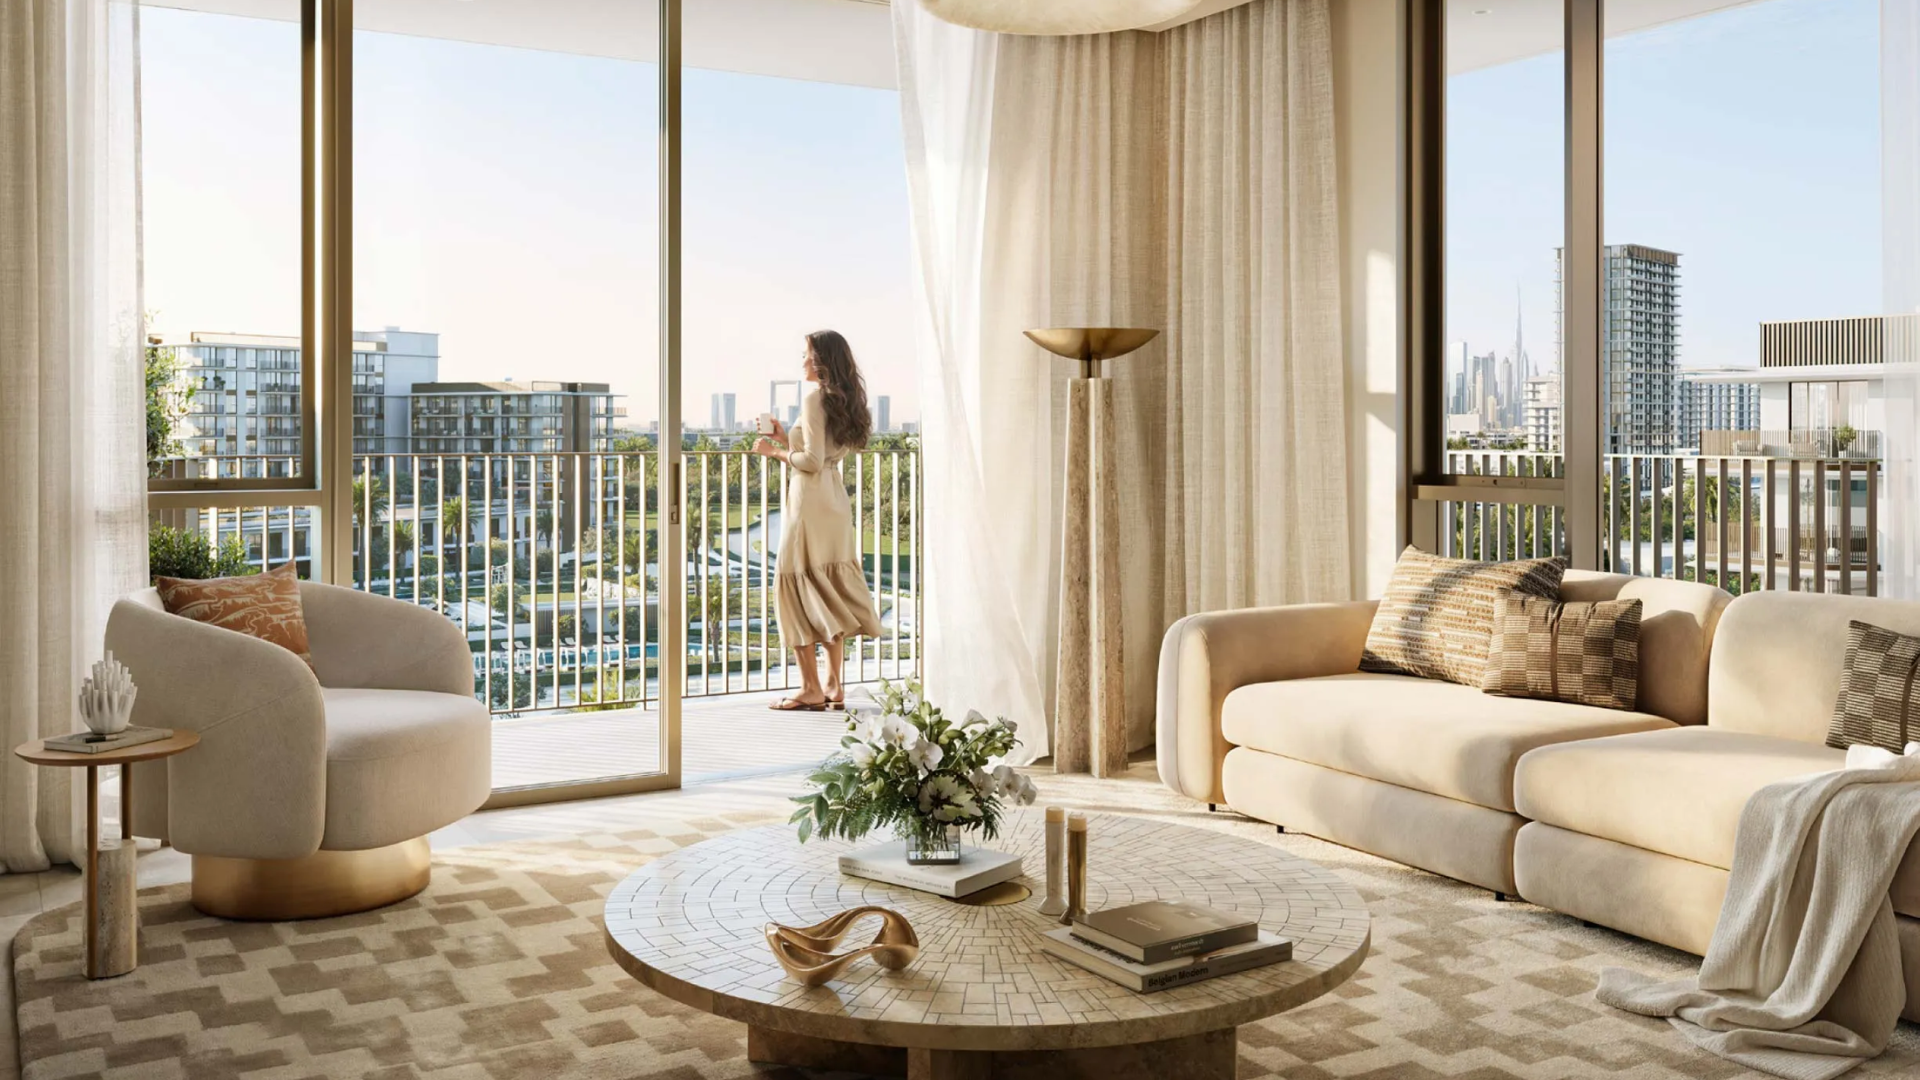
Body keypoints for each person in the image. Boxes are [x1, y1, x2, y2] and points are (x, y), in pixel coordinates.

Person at [752, 330, 884, 711]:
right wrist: (786, 436)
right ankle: (833, 684)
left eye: (808, 356)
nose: (804, 363)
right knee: (827, 586)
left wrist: (773, 451)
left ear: (823, 361)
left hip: (808, 503)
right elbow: (824, 452)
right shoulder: (849, 402)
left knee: (794, 587)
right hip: (835, 502)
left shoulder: (813, 399)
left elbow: (809, 462)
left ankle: (809, 687)